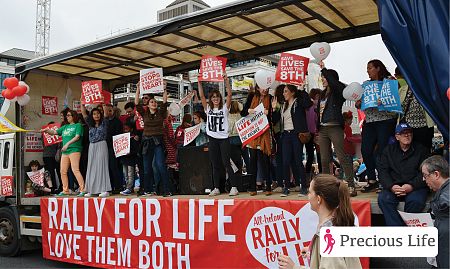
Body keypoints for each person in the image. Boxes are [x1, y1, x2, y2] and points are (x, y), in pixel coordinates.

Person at [277, 174, 362, 269]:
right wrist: (314, 253)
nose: (307, 196)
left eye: (309, 192)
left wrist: (293, 268)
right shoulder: (336, 226)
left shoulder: (329, 237)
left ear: (318, 199)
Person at [377, 123, 429, 226]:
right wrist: (391, 186)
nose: (407, 135)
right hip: (394, 186)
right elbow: (383, 171)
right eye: (403, 133)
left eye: (409, 133)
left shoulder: (422, 150)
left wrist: (411, 186)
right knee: (383, 199)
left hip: (415, 187)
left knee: (416, 201)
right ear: (397, 136)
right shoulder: (388, 150)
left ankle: (407, 229)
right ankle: (398, 231)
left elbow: (426, 173)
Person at [358, 59, 398, 193]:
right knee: (366, 150)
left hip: (386, 120)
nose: (367, 71)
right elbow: (361, 103)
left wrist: (385, 97)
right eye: (367, 68)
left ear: (378, 68)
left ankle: (384, 181)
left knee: (382, 151)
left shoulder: (389, 81)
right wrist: (359, 102)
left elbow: (395, 98)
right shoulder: (365, 85)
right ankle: (371, 180)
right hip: (369, 121)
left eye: (370, 68)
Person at [317, 65, 356, 196]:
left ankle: (351, 185)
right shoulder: (322, 94)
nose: (322, 79)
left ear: (331, 78)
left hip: (335, 127)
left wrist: (324, 70)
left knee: (341, 156)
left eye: (325, 77)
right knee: (324, 159)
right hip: (323, 128)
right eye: (322, 77)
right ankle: (327, 186)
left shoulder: (339, 91)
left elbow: (335, 84)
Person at [198, 73, 239, 196]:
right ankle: (216, 188)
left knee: (226, 162)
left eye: (217, 97)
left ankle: (234, 187)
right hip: (212, 139)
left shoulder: (225, 109)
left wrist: (226, 81)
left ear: (220, 99)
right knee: (215, 164)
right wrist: (199, 82)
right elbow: (201, 95)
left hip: (224, 139)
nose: (215, 98)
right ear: (211, 99)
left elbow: (230, 95)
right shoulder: (208, 109)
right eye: (213, 97)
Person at [273, 84, 312, 197]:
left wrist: (302, 89)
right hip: (285, 135)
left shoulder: (298, 102)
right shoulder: (284, 105)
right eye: (284, 91)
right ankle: (286, 188)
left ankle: (303, 187)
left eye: (286, 91)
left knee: (298, 161)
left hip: (296, 134)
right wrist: (275, 109)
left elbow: (308, 103)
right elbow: (275, 121)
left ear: (292, 92)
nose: (284, 93)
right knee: (285, 162)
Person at [135, 81, 172, 197]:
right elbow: (136, 103)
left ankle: (166, 190)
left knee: (160, 165)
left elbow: (165, 102)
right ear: (148, 104)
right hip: (147, 141)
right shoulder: (144, 113)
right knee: (146, 167)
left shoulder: (161, 113)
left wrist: (164, 89)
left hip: (158, 141)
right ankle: (148, 189)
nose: (154, 103)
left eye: (155, 102)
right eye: (152, 102)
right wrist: (138, 89)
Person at [41, 110, 85, 197]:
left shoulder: (78, 125)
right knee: (63, 171)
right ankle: (65, 190)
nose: (67, 117)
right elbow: (54, 132)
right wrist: (47, 130)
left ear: (74, 116)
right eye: (67, 115)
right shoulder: (65, 127)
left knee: (75, 170)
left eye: (69, 115)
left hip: (74, 150)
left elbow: (77, 137)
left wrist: (67, 144)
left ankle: (83, 189)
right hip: (65, 152)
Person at [241, 84, 273, 196]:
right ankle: (252, 187)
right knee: (252, 162)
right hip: (253, 134)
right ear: (258, 88)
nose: (264, 90)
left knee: (265, 161)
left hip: (264, 134)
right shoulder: (251, 97)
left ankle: (268, 186)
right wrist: (249, 110)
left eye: (266, 88)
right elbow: (243, 113)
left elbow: (275, 118)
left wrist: (269, 113)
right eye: (262, 87)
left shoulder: (271, 98)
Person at [395, 67, 435, 151]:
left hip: (424, 127)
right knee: (409, 151)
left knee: (425, 151)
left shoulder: (426, 87)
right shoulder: (402, 89)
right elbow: (397, 108)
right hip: (407, 127)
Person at [421, 156, 449, 268]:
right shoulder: (442, 192)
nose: (423, 179)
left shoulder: (445, 197)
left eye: (425, 175)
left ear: (436, 174)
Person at [81, 101, 111, 197]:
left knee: (102, 166)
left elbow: (106, 113)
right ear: (92, 116)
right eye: (94, 114)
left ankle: (104, 189)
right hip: (92, 146)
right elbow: (84, 114)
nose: (96, 115)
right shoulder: (90, 124)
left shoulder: (104, 122)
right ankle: (91, 189)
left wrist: (103, 103)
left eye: (98, 113)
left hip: (102, 144)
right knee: (91, 166)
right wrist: (82, 103)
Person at [104, 104, 124, 194]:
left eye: (108, 110)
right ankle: (110, 186)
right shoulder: (105, 121)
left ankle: (118, 186)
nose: (107, 112)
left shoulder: (117, 122)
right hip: (105, 147)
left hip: (113, 147)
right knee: (107, 167)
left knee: (114, 167)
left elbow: (118, 135)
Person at [305, 88, 322, 181]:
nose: (317, 99)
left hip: (314, 133)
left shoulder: (314, 108)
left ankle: (318, 174)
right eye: (317, 96)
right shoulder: (311, 107)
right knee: (312, 154)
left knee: (316, 154)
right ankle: (309, 175)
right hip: (311, 133)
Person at [120, 121, 140, 196]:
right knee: (125, 174)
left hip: (131, 159)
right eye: (124, 128)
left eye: (127, 129)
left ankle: (129, 187)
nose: (125, 130)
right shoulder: (121, 138)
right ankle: (128, 188)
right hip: (124, 159)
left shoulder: (134, 138)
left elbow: (135, 149)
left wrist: (130, 153)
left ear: (131, 129)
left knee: (130, 174)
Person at [42, 121, 59, 193]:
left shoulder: (56, 133)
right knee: (49, 172)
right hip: (47, 155)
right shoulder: (44, 134)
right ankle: (52, 188)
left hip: (55, 155)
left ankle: (56, 187)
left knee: (57, 171)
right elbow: (44, 143)